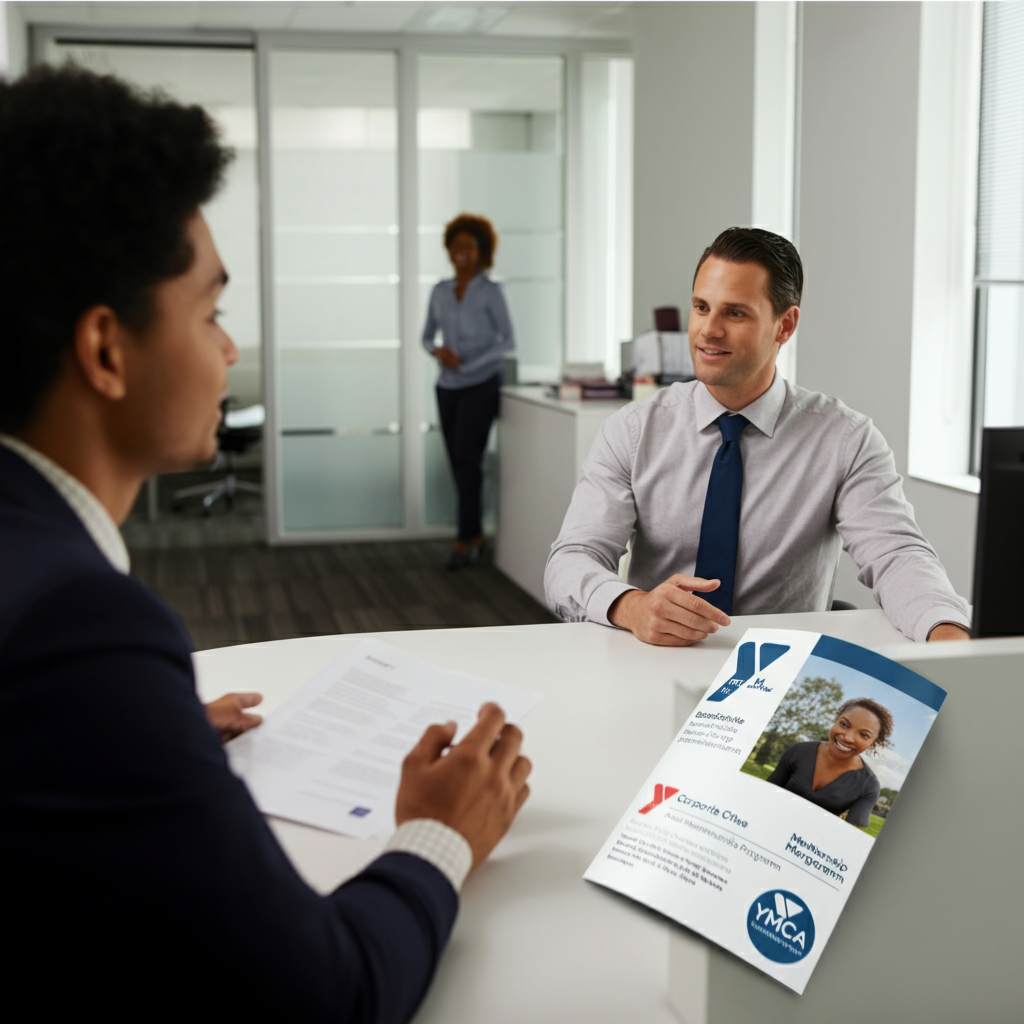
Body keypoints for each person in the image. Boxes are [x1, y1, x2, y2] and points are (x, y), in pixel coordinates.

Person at [0, 67, 531, 1021]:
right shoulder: (80, 630)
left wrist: (130, 737)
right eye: (210, 313)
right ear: (106, 350)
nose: (230, 350)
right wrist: (441, 835)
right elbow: (326, 993)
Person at [544, 227, 972, 646]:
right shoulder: (634, 431)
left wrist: (947, 633)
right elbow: (571, 559)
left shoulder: (845, 439)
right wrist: (631, 606)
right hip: (654, 658)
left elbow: (897, 555)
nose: (708, 330)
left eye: (735, 313)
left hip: (782, 673)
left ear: (785, 326)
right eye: (700, 307)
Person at [422, 214, 515, 568]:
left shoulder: (492, 292)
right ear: (449, 249)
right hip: (447, 387)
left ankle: (466, 538)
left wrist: (469, 366)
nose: (461, 251)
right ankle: (472, 533)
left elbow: (508, 340)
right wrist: (437, 352)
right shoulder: (439, 291)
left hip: (481, 385)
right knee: (458, 462)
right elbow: (426, 336)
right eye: (456, 245)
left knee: (467, 460)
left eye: (469, 246)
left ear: (481, 252)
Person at [765, 698, 892, 828]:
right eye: (844, 724)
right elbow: (764, 794)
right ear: (836, 720)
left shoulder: (868, 786)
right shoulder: (799, 752)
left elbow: (850, 836)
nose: (848, 737)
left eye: (864, 735)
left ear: (874, 743)